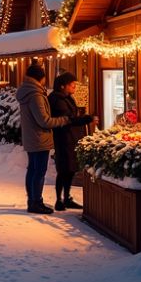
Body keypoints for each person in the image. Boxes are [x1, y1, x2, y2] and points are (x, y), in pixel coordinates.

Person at [17, 64, 76, 214]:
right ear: (40, 78)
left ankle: (33, 200)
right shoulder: (35, 95)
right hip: (39, 137)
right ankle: (36, 202)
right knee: (39, 171)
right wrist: (64, 120)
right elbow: (44, 121)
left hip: (32, 137)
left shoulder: (28, 91)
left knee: (33, 169)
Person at [48, 72, 96, 211]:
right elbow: (69, 119)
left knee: (70, 169)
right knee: (64, 169)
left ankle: (67, 198)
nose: (74, 86)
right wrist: (87, 118)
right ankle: (59, 200)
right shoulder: (57, 100)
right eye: (72, 84)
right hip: (64, 138)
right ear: (63, 86)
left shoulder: (67, 98)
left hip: (71, 138)